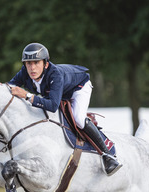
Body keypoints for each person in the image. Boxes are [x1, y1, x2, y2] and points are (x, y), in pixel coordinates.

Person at [8, 42, 122, 176]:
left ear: (45, 64)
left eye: (36, 63)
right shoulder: (24, 72)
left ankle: (107, 155)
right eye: (28, 63)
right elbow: (9, 87)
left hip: (78, 88)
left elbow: (52, 106)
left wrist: (27, 96)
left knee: (78, 118)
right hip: (59, 93)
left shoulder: (55, 74)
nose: (32, 68)